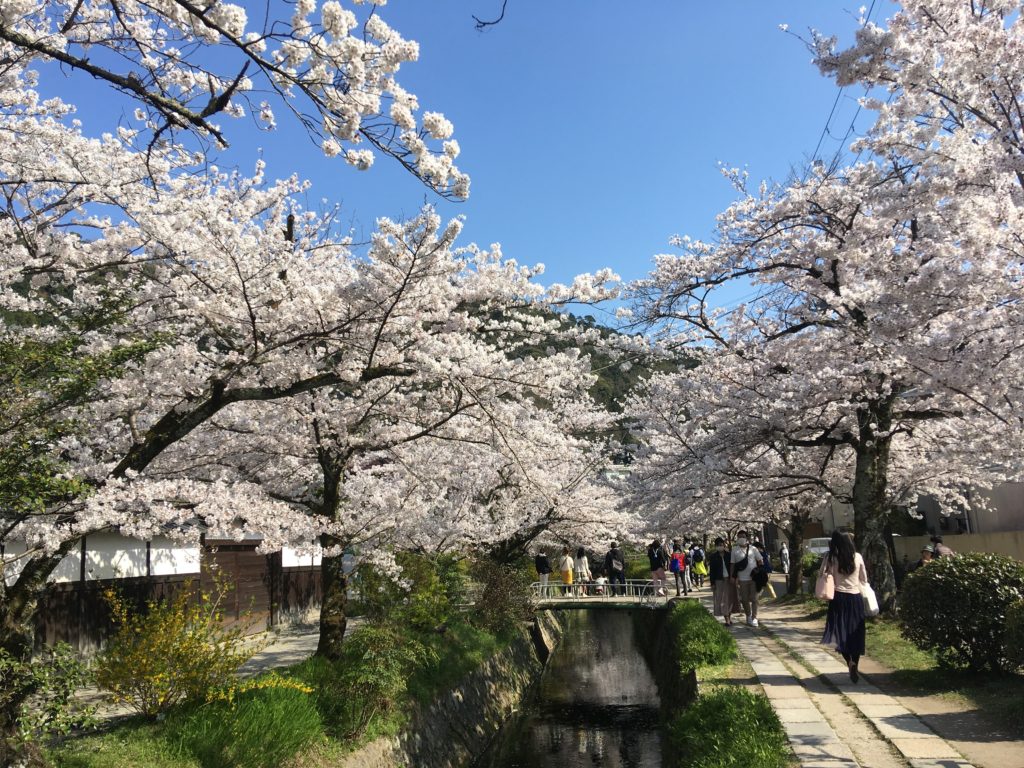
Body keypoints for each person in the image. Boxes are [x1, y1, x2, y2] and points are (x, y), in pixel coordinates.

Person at [820, 530, 869, 683]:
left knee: (840, 632)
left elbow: (821, 573)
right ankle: (855, 662)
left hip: (838, 598)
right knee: (856, 632)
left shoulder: (832, 557)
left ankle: (849, 662)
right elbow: (864, 578)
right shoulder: (858, 557)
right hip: (855, 599)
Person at [730, 529, 764, 627]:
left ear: (747, 538)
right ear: (737, 538)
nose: (741, 539)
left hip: (753, 578)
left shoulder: (753, 549)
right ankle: (748, 616)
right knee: (744, 599)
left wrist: (759, 571)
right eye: (739, 537)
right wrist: (732, 576)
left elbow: (760, 560)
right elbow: (732, 564)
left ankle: (754, 618)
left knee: (754, 598)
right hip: (742, 579)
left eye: (743, 537)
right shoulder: (734, 550)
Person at [709, 537, 733, 625]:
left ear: (724, 545)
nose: (720, 547)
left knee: (729, 599)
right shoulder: (713, 556)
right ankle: (726, 619)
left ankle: (729, 617)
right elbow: (712, 571)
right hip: (719, 580)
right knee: (722, 599)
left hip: (729, 579)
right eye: (718, 545)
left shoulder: (729, 555)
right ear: (716, 546)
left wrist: (734, 577)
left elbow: (733, 567)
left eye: (721, 545)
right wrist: (712, 583)